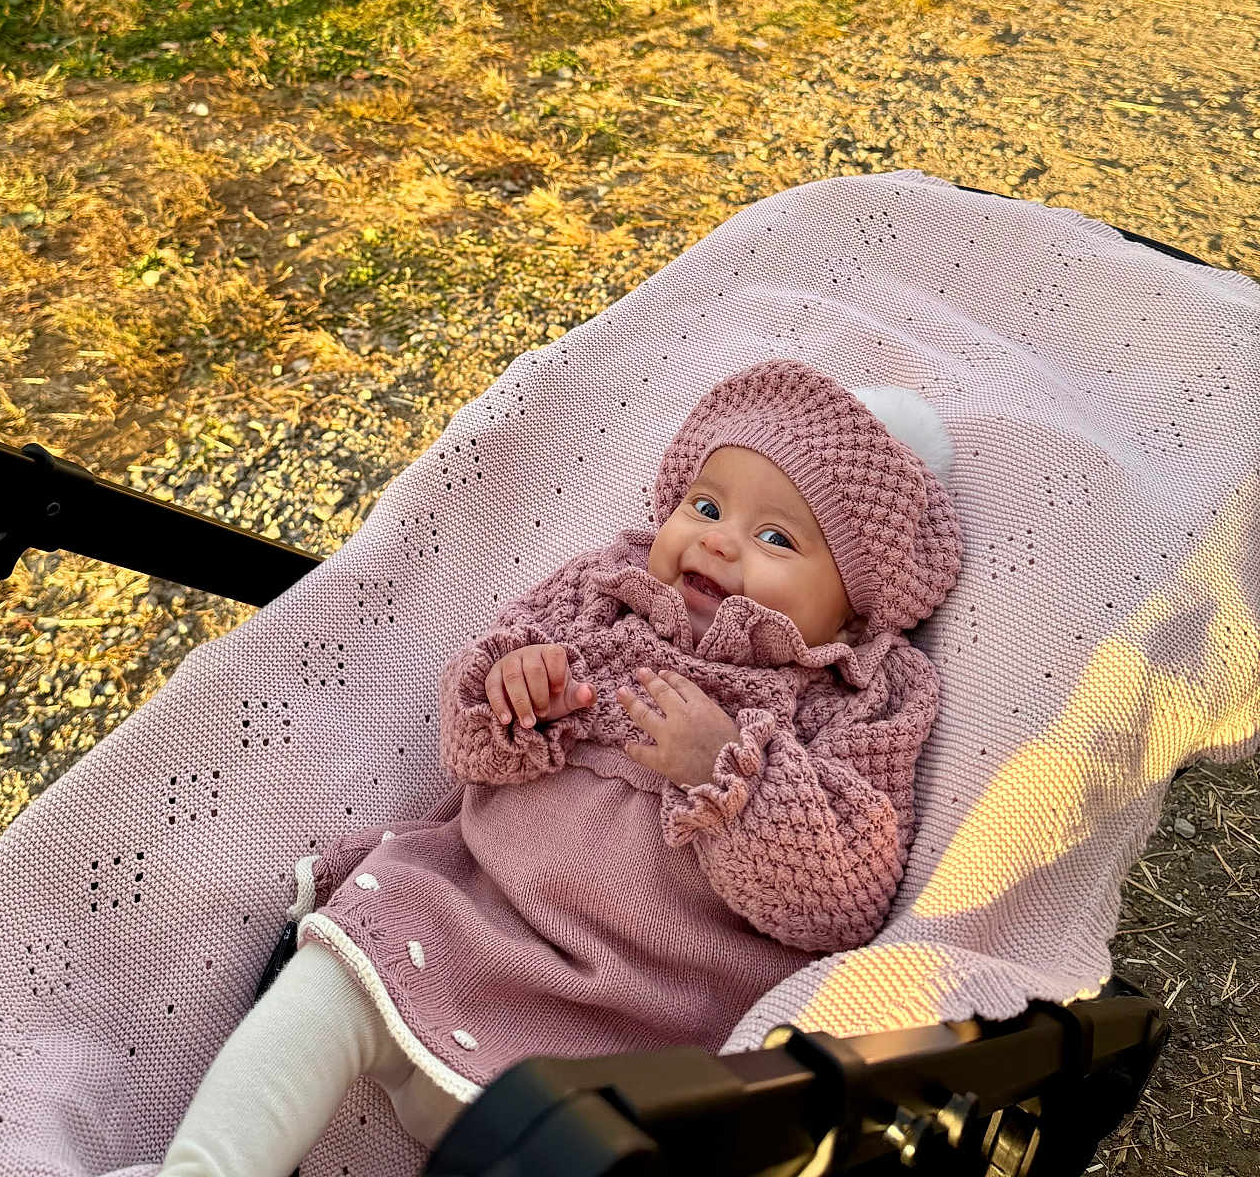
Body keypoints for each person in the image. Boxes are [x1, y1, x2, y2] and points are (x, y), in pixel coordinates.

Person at [159, 361, 965, 1177]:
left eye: (776, 538)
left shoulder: (857, 698)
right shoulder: (603, 590)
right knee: (325, 988)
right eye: (707, 506)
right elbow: (469, 742)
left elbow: (843, 901)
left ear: (856, 607)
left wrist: (729, 772)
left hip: (628, 1025)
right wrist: (509, 692)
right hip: (455, 916)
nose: (719, 540)